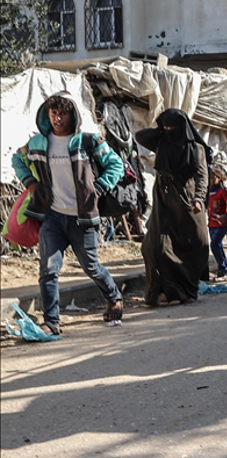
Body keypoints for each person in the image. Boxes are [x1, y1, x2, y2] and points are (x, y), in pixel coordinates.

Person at [11, 93, 126, 334]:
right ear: (47, 115)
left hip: (82, 217)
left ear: (73, 115)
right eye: (53, 113)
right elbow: (17, 159)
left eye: (62, 113)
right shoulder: (39, 143)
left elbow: (116, 164)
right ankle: (51, 322)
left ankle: (114, 296)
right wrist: (31, 183)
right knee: (49, 269)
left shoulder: (88, 141)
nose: (58, 118)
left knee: (91, 266)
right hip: (52, 216)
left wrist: (101, 187)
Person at [135, 109, 211, 306]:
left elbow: (202, 176)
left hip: (187, 200)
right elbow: (140, 135)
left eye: (173, 127)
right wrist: (161, 129)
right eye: (166, 127)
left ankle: (186, 290)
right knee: (155, 247)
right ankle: (161, 291)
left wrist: (199, 199)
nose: (169, 131)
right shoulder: (162, 143)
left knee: (194, 245)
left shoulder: (195, 149)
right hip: (163, 198)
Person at [207, 165, 227, 280]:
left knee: (214, 244)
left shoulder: (222, 192)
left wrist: (226, 216)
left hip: (221, 225)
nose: (211, 180)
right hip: (211, 224)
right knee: (217, 246)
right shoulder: (207, 192)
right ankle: (223, 268)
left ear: (219, 178)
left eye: (213, 177)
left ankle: (223, 268)